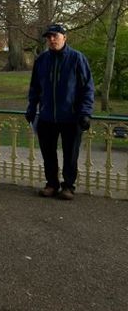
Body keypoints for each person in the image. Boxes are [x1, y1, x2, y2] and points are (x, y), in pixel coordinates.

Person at [26, 24, 94, 201]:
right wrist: (31, 108)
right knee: (48, 153)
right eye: (48, 37)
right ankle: (51, 184)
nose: (51, 40)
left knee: (70, 154)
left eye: (55, 36)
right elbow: (35, 87)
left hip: (71, 117)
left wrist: (85, 113)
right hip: (47, 116)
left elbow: (87, 88)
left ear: (65, 37)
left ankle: (68, 186)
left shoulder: (77, 59)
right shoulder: (42, 60)